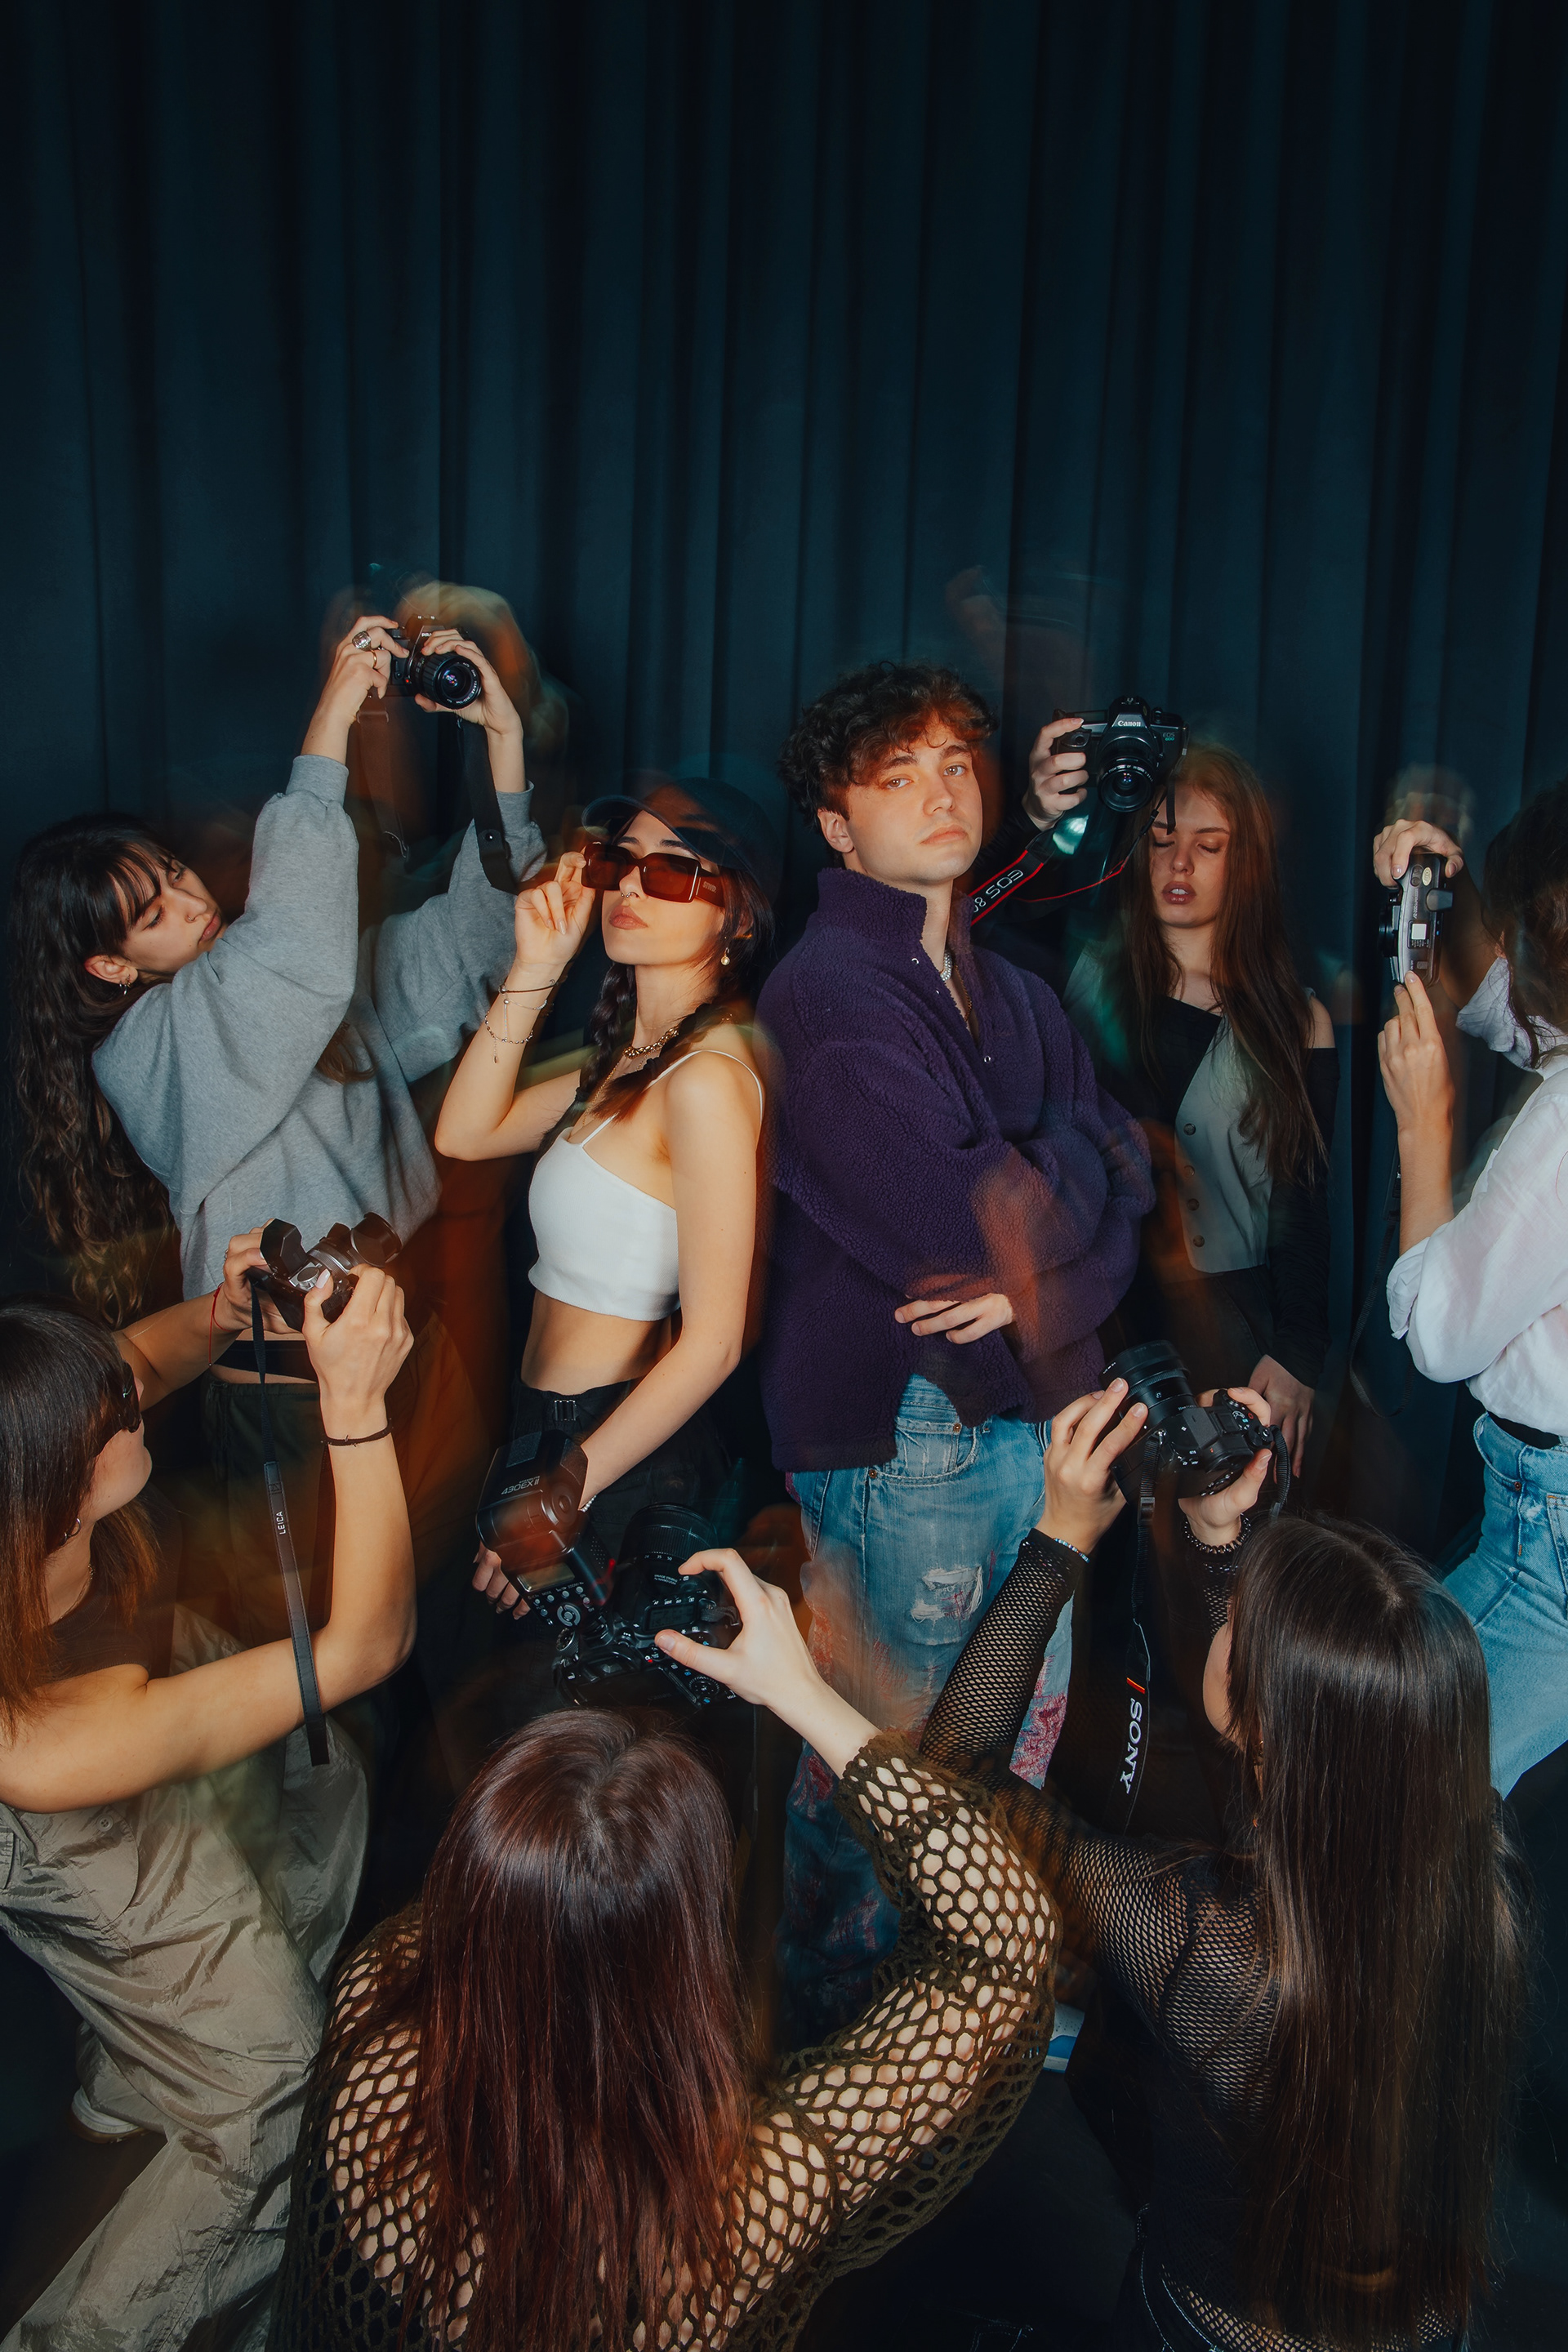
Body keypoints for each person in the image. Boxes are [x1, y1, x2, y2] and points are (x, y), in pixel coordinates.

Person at [268, 1548, 1057, 2352]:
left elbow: (515, 1927)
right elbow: (1003, 1946)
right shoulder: (738, 2218)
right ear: (683, 1957)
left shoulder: (375, 2015)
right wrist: (801, 1694)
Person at [922, 1381, 1530, 2352]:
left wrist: (1059, 1539)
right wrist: (1218, 1545)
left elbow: (952, 1777)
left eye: (1241, 1616)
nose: (1229, 1608)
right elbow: (1271, 1756)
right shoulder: (1466, 1875)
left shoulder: (1192, 1934)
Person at [9, 617, 545, 1650]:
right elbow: (295, 950)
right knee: (340, 1638)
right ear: (109, 968)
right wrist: (331, 720)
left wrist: (503, 745)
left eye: (174, 872)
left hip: (401, 1323)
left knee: (444, 1609)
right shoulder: (148, 1048)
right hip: (292, 1378)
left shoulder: (302, 980)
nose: (189, 901)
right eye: (151, 914)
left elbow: (476, 942)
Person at [760, 658, 1152, 2039]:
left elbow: (1127, 1168)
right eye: (896, 775)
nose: (941, 793)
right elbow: (963, 1223)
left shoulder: (1019, 990)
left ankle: (977, 2034)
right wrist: (1065, 1194)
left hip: (1038, 1421)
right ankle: (848, 2049)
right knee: (893, 1770)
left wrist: (1053, 1252)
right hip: (910, 1437)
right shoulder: (827, 996)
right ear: (836, 824)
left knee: (1015, 1751)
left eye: (954, 765)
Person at [0, 1239, 415, 2351]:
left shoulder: (28, 1458)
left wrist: (226, 1314)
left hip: (149, 1681)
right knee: (279, 2079)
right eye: (112, 1417)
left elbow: (138, 1360)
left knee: (318, 1786)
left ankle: (143, 2071)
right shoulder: (37, 1746)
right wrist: (355, 1410)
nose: (134, 1396)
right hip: (81, 1829)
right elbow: (366, 1646)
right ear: (55, 1499)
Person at [436, 777, 777, 1570]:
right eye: (619, 862)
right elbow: (465, 1133)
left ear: (737, 915)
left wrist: (562, 1492)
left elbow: (716, 1343)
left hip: (615, 1453)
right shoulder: (633, 1060)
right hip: (547, 1427)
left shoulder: (705, 1078)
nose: (631, 885)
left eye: (673, 869)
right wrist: (538, 964)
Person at [1063, 745, 1338, 1477]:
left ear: (1245, 864)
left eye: (1208, 846)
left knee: (1222, 1531)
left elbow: (1304, 1203)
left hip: (1229, 1332)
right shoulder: (1084, 979)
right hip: (1095, 1321)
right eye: (1161, 841)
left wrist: (1299, 1353)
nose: (1179, 863)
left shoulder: (1296, 1021)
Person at [1374, 782, 1568, 1792]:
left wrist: (1426, 1122)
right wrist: (1448, 922)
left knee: (1390, 1782)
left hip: (1549, 1548)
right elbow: (1543, 1033)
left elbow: (1442, 1337)